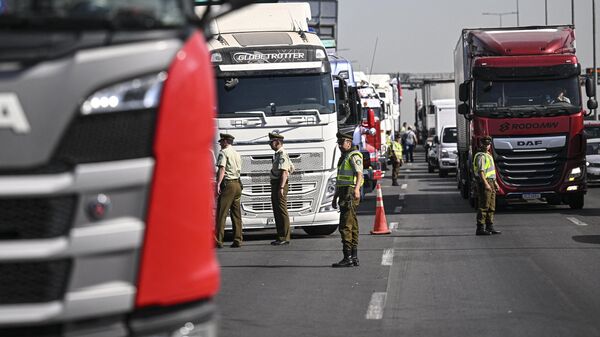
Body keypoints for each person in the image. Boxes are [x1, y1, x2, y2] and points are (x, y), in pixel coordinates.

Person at [331, 132, 364, 267]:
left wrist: (356, 190)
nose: (339, 145)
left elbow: (359, 173)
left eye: (341, 143)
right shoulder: (344, 156)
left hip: (349, 193)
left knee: (345, 225)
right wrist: (334, 198)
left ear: (349, 143)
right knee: (353, 224)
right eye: (338, 143)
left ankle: (348, 257)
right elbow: (340, 180)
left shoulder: (354, 155)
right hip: (344, 192)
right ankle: (353, 257)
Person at [215, 133, 243, 248]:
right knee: (236, 214)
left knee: (221, 213)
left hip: (228, 184)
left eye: (221, 141)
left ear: (226, 141)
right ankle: (238, 239)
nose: (220, 144)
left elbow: (222, 169)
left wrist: (218, 184)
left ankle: (218, 240)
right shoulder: (237, 153)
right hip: (237, 184)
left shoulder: (223, 153)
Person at [269, 132, 294, 245]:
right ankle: (281, 236)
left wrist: (282, 187)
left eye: (272, 142)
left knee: (281, 210)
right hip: (277, 183)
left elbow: (285, 172)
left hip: (280, 183)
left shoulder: (282, 154)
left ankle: (284, 236)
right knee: (277, 210)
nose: (270, 144)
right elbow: (292, 167)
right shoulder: (279, 154)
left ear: (278, 142)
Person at [473, 136, 501, 236]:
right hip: (485, 182)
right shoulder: (481, 156)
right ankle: (480, 228)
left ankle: (490, 226)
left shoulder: (488, 155)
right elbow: (481, 172)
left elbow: (491, 171)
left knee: (491, 206)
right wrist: (486, 184)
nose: (486, 146)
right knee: (484, 205)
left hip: (491, 182)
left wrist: (495, 183)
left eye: (488, 144)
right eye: (484, 144)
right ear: (481, 144)